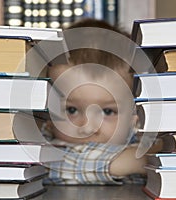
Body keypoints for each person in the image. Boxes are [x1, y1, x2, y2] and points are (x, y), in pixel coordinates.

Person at [41, 18, 161, 185]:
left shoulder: (145, 137)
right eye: (72, 110)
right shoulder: (45, 148)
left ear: (136, 114)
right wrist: (139, 161)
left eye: (107, 111)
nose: (88, 128)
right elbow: (58, 165)